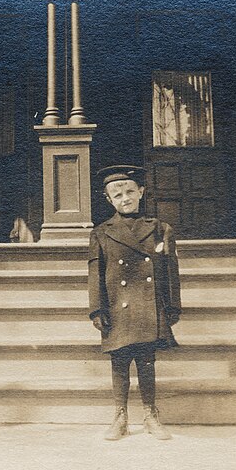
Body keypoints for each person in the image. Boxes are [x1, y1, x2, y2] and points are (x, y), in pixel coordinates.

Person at [88, 165, 182, 441]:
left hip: (148, 306)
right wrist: (97, 308)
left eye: (130, 191)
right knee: (119, 361)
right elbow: (95, 272)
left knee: (146, 360)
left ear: (141, 192)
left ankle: (151, 415)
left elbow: (171, 272)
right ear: (109, 200)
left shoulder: (160, 229)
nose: (125, 198)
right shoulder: (101, 232)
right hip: (117, 306)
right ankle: (120, 416)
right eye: (117, 195)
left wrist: (173, 306)